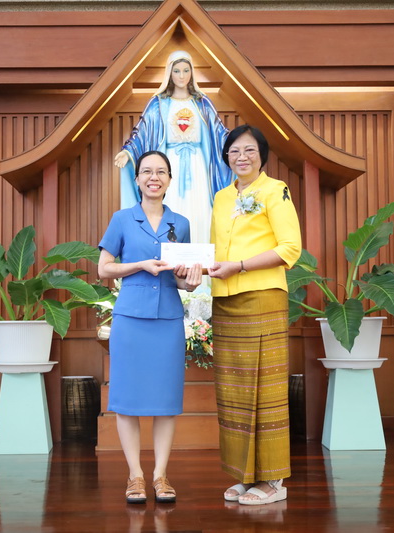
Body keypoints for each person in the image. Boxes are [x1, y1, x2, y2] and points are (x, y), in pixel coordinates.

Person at [98, 150, 203, 504]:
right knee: (126, 399)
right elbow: (104, 268)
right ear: (137, 179)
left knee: (166, 400)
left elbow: (182, 280)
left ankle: (160, 475)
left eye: (160, 172)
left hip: (168, 320)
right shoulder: (122, 219)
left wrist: (192, 280)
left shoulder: (181, 223)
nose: (153, 177)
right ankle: (135, 476)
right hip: (130, 319)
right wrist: (140, 264)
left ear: (169, 180)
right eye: (146, 171)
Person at [208, 124, 302, 506]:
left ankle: (273, 480)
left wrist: (241, 266)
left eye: (249, 150)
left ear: (262, 155)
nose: (241, 157)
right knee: (234, 391)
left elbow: (290, 248)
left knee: (266, 390)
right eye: (234, 151)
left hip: (262, 297)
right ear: (226, 157)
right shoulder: (221, 197)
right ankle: (244, 476)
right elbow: (215, 249)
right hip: (225, 301)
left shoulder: (275, 190)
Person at [115, 50, 232, 244]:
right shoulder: (159, 104)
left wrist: (239, 145)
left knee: (201, 210)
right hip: (169, 165)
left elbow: (220, 133)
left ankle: (202, 259)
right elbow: (142, 132)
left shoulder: (202, 103)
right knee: (169, 206)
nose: (182, 76)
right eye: (177, 71)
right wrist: (129, 151)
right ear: (169, 73)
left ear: (192, 72)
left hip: (198, 166)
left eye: (186, 70)